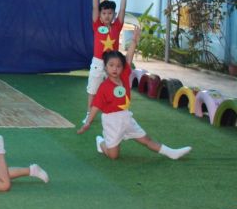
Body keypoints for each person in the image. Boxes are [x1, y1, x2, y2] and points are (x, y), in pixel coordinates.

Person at [77, 27, 192, 160]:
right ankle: (100, 142)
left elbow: (128, 58)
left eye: (118, 66)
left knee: (147, 140)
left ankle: (171, 153)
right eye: (111, 65)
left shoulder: (124, 76)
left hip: (126, 117)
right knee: (113, 156)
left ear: (123, 68)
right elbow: (95, 106)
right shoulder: (104, 87)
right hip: (111, 122)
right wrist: (88, 123)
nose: (115, 69)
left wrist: (134, 41)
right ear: (106, 67)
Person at [84, 0, 132, 125]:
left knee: (116, 89)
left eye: (110, 13)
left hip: (113, 64)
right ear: (100, 15)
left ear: (114, 15)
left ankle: (115, 114)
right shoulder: (97, 25)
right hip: (98, 63)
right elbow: (94, 8)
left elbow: (123, 10)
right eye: (104, 13)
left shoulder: (117, 26)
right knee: (93, 90)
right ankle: (89, 114)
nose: (107, 16)